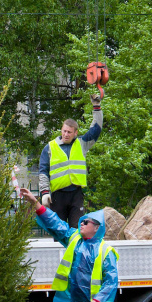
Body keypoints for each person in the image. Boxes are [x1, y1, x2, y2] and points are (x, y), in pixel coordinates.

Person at [38, 94, 103, 228]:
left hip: (76, 195)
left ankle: (76, 250)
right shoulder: (50, 148)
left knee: (77, 230)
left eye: (69, 132)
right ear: (61, 130)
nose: (66, 134)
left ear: (75, 133)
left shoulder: (82, 144)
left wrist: (96, 107)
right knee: (59, 231)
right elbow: (43, 171)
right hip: (57, 196)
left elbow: (96, 129)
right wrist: (44, 193)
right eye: (64, 131)